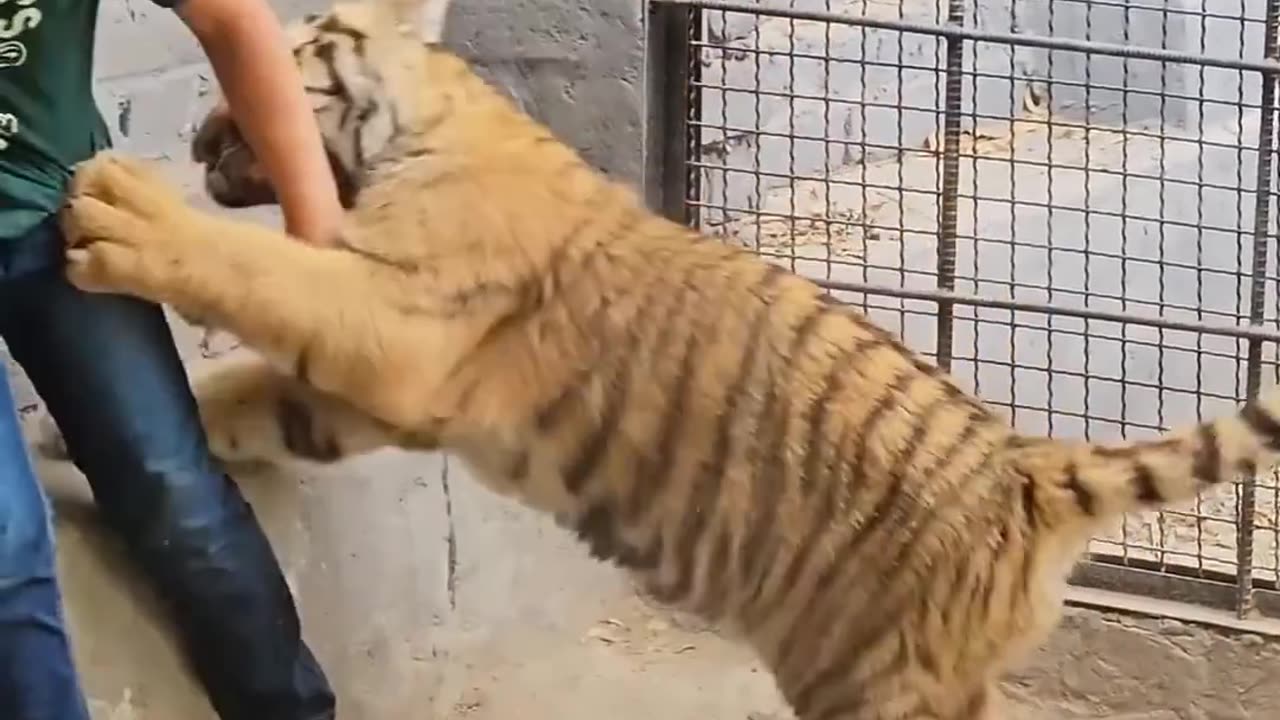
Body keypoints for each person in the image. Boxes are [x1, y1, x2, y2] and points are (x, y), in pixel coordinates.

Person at [0, 0, 344, 719]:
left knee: (177, 493)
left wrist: (316, 248)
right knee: (7, 543)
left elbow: (232, 20)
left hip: (49, 207)